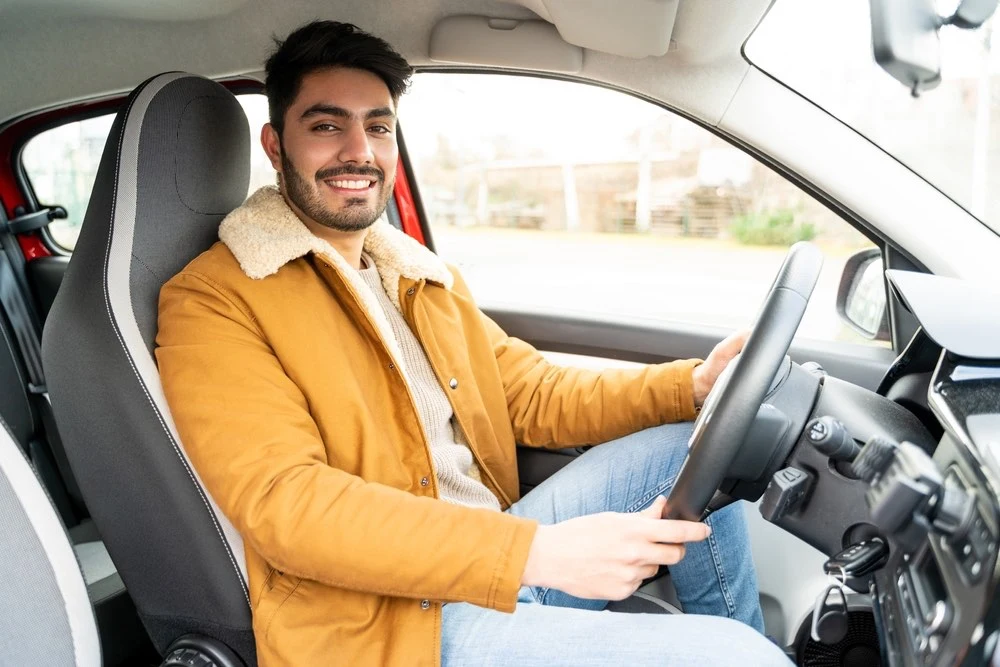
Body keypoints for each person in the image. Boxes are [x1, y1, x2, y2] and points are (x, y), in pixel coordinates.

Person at [155, 20, 791, 667]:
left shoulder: (416, 274)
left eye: (377, 126)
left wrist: (691, 386)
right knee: (742, 660)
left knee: (682, 450)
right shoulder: (217, 299)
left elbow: (532, 392)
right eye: (326, 126)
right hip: (392, 623)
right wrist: (538, 552)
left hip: (492, 554)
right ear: (275, 143)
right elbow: (291, 506)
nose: (360, 151)